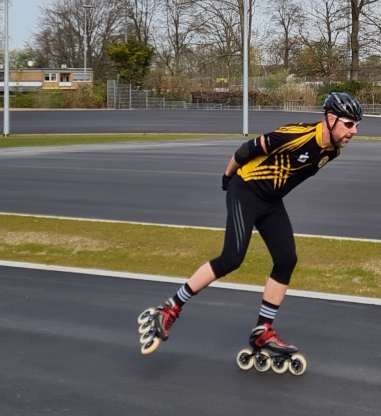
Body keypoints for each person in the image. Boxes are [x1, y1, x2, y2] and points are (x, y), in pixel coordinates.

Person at [138, 92, 363, 360]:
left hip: (271, 201)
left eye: (356, 125)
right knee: (232, 258)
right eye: (349, 124)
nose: (354, 131)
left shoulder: (333, 149)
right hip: (244, 190)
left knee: (286, 259)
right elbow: (248, 149)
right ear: (330, 118)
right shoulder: (296, 135)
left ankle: (262, 330)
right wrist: (227, 175)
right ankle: (169, 309)